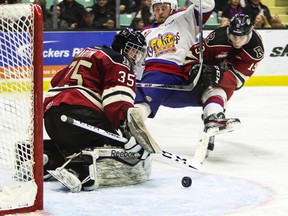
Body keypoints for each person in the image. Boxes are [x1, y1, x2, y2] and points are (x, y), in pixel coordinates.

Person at [43, 28, 161, 192]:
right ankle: (81, 168)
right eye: (134, 51)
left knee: (76, 145)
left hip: (51, 118)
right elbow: (117, 102)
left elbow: (56, 80)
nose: (136, 57)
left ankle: (49, 158)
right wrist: (129, 135)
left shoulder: (87, 52)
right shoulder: (120, 61)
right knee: (125, 152)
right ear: (123, 47)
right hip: (82, 118)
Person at [187, 14, 264, 152]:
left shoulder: (255, 50)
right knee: (214, 93)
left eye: (241, 37)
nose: (237, 40)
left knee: (221, 95)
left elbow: (238, 80)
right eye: (234, 36)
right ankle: (212, 119)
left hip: (229, 71)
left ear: (249, 33)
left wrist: (218, 75)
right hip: (212, 63)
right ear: (229, 31)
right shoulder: (216, 38)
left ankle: (211, 120)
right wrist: (193, 68)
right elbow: (194, 55)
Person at [135, 0, 215, 120]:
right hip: (159, 83)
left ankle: (213, 116)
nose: (160, 12)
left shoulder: (185, 17)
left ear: (173, 7)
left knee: (213, 91)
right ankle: (136, 114)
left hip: (182, 77)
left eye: (164, 8)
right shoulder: (145, 32)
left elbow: (207, 4)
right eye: (157, 9)